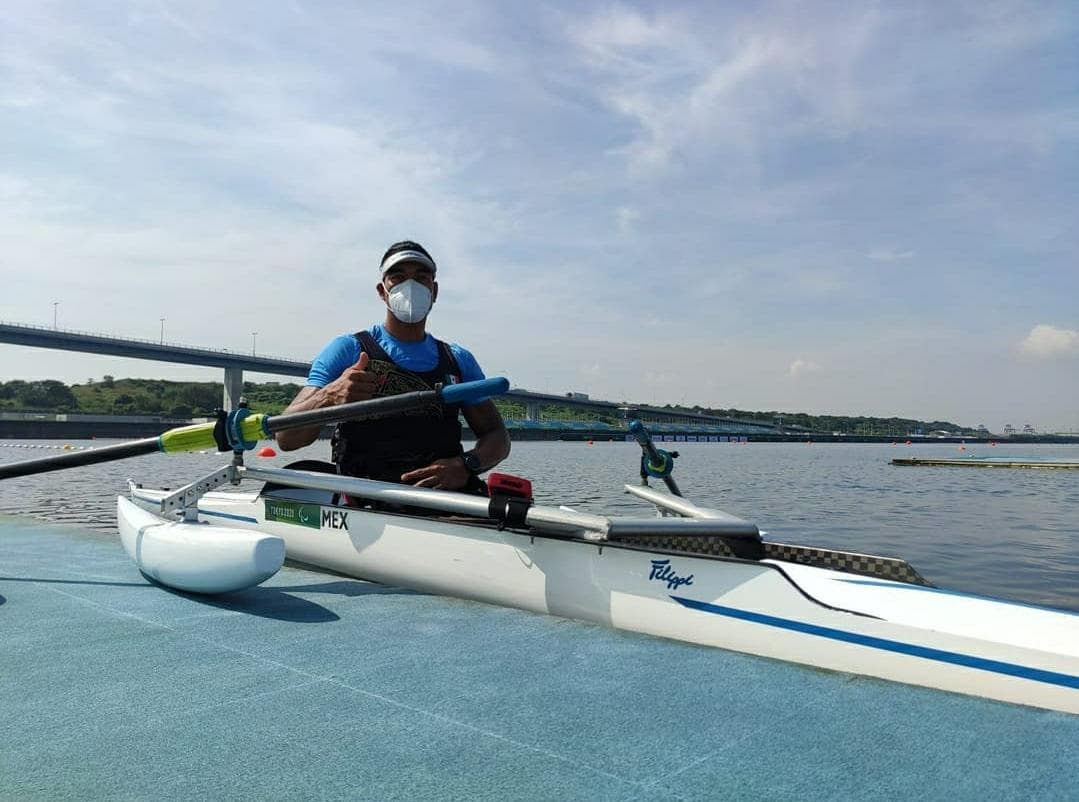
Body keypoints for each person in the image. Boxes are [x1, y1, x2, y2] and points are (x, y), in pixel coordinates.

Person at [276, 240, 510, 493]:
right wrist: (329, 397)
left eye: (421, 278)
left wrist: (466, 465)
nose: (410, 286)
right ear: (381, 291)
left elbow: (497, 435)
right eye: (398, 277)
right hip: (364, 499)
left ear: (435, 290)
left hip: (442, 499)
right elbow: (286, 439)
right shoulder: (347, 350)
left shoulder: (458, 359)